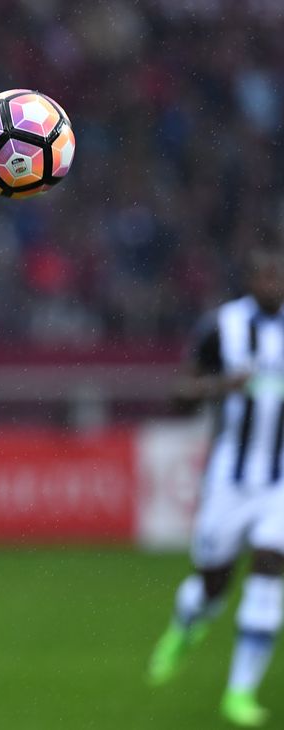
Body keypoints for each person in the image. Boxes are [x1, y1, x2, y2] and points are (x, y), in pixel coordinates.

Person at [147, 244, 284, 727]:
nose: (274, 285)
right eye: (266, 277)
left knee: (269, 569)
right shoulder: (222, 327)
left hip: (279, 482)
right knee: (213, 583)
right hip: (229, 479)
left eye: (280, 277)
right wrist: (219, 387)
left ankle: (240, 693)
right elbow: (179, 395)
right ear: (250, 280)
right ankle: (187, 625)